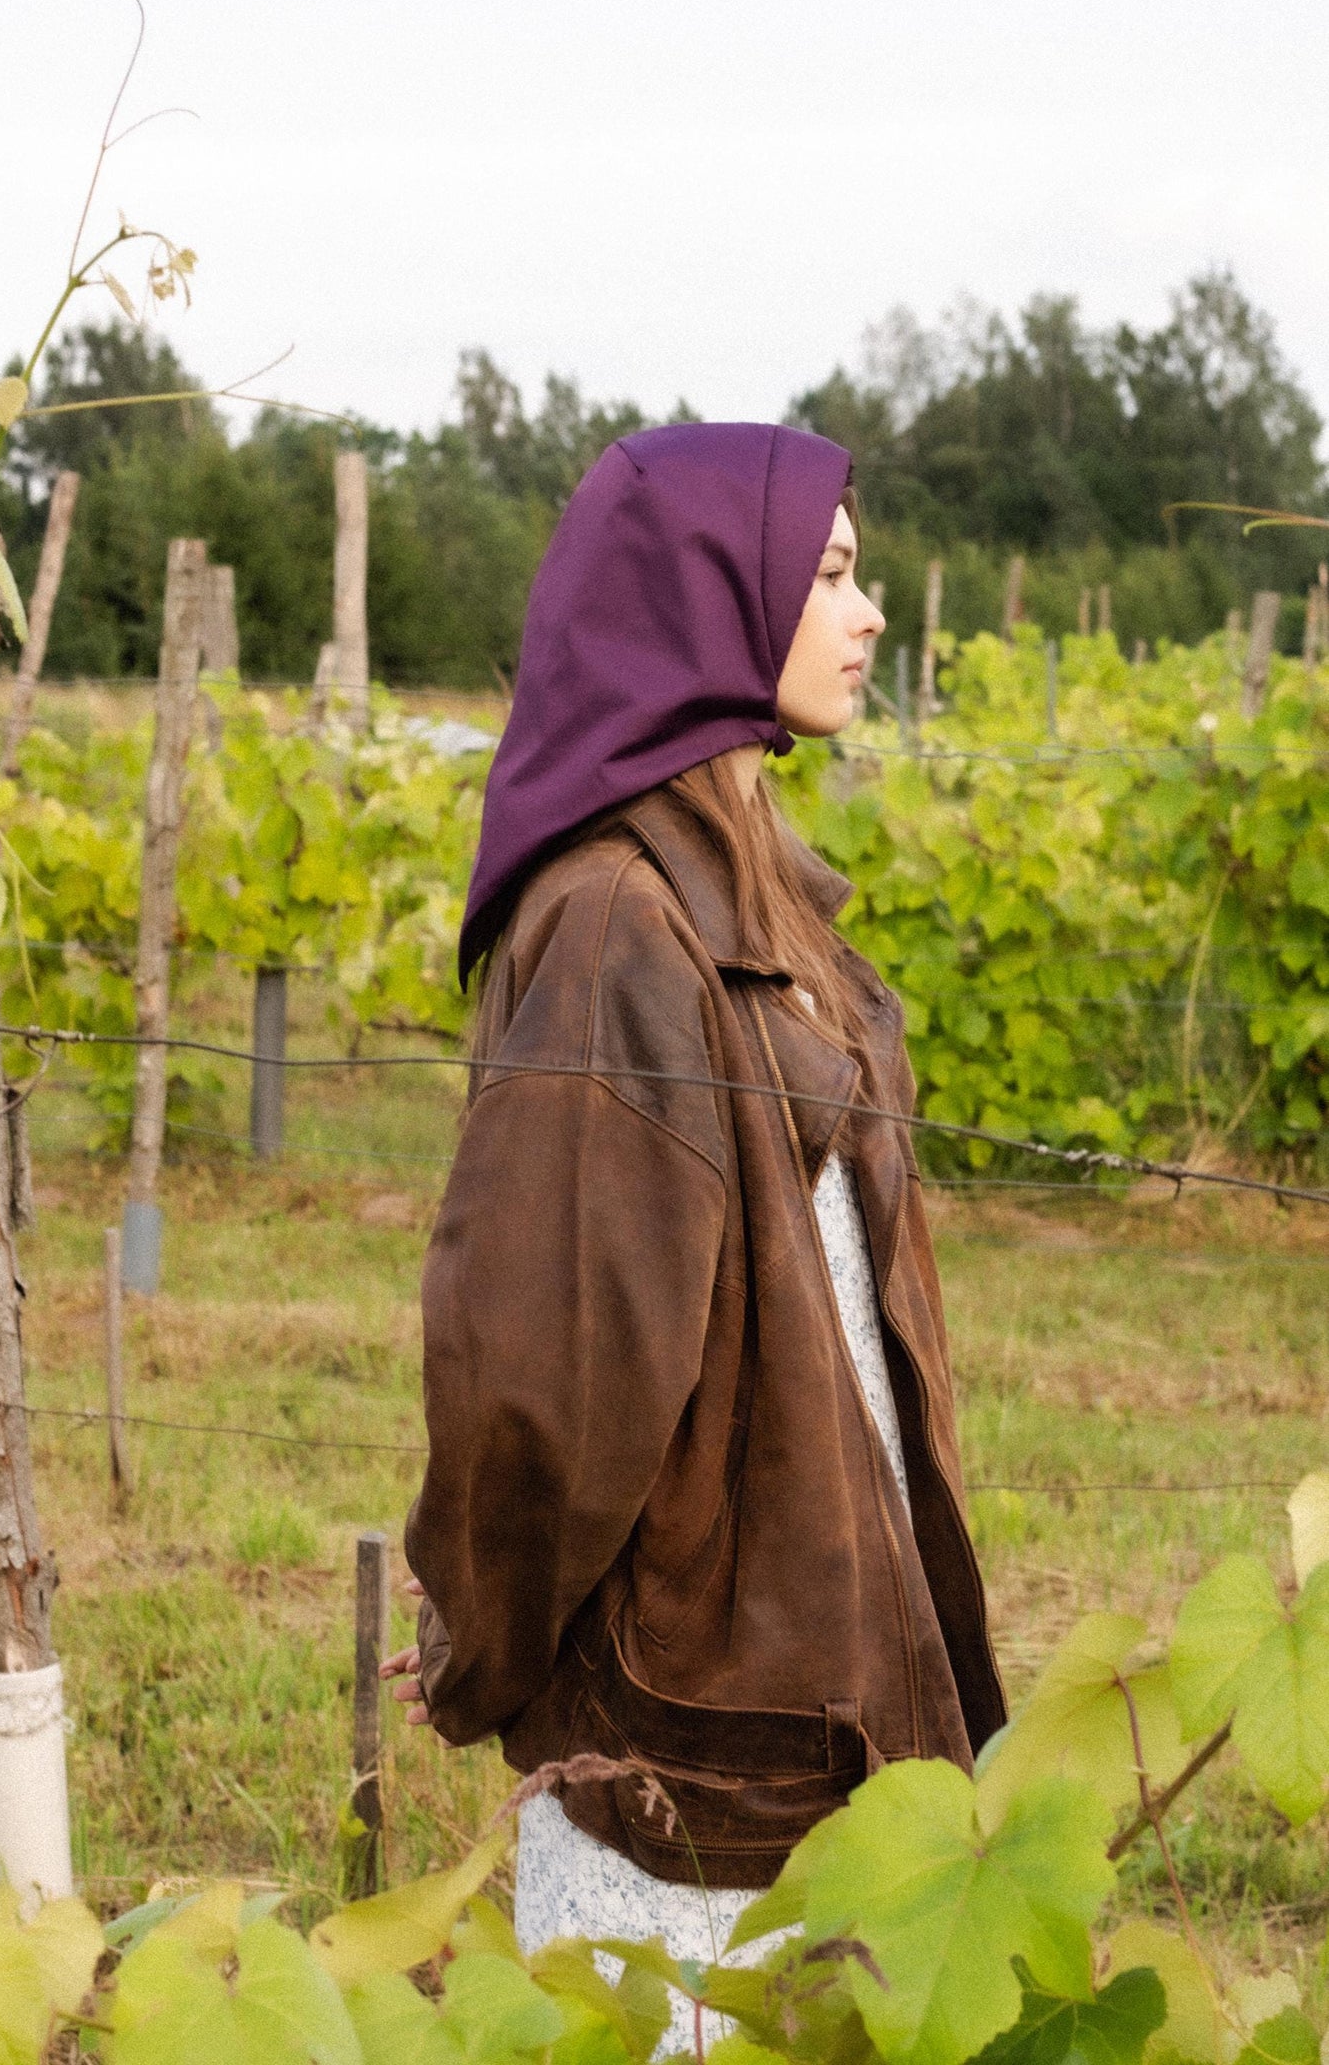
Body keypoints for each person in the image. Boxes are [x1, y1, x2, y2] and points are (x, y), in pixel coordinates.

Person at [381, 422, 1005, 1981]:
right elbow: (541, 1380)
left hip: (820, 1659)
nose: (867, 616)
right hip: (697, 1720)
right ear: (709, 598)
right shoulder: (614, 926)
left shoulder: (758, 893)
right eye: (833, 574)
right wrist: (479, 1633)